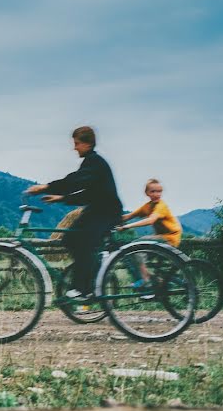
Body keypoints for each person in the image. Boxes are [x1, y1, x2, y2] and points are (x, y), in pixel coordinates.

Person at [26, 126, 122, 299]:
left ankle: (84, 288)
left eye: (77, 143)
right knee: (72, 239)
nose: (74, 147)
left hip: (106, 212)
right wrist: (61, 198)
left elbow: (75, 181)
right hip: (98, 210)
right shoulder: (92, 162)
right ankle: (91, 280)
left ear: (88, 143)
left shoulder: (94, 162)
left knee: (80, 242)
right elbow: (87, 194)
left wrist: (46, 187)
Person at [117, 178, 182, 287]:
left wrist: (127, 226)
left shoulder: (161, 206)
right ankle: (157, 283)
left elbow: (150, 220)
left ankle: (145, 280)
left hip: (170, 238)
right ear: (146, 193)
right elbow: (129, 216)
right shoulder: (148, 206)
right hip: (161, 238)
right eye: (153, 191)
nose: (157, 194)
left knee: (136, 246)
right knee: (131, 254)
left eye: (159, 191)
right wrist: (111, 220)